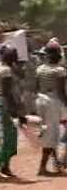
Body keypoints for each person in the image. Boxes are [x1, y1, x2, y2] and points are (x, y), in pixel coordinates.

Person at [0, 45, 26, 182]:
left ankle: (5, 167)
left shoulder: (3, 66)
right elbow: (8, 93)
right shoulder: (6, 71)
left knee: (11, 136)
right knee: (2, 139)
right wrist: (17, 113)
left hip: (2, 104)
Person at [35, 41, 67, 175]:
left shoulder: (40, 69)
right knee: (52, 134)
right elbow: (60, 91)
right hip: (53, 101)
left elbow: (37, 87)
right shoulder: (59, 71)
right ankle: (43, 168)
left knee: (49, 132)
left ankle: (57, 164)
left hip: (41, 99)